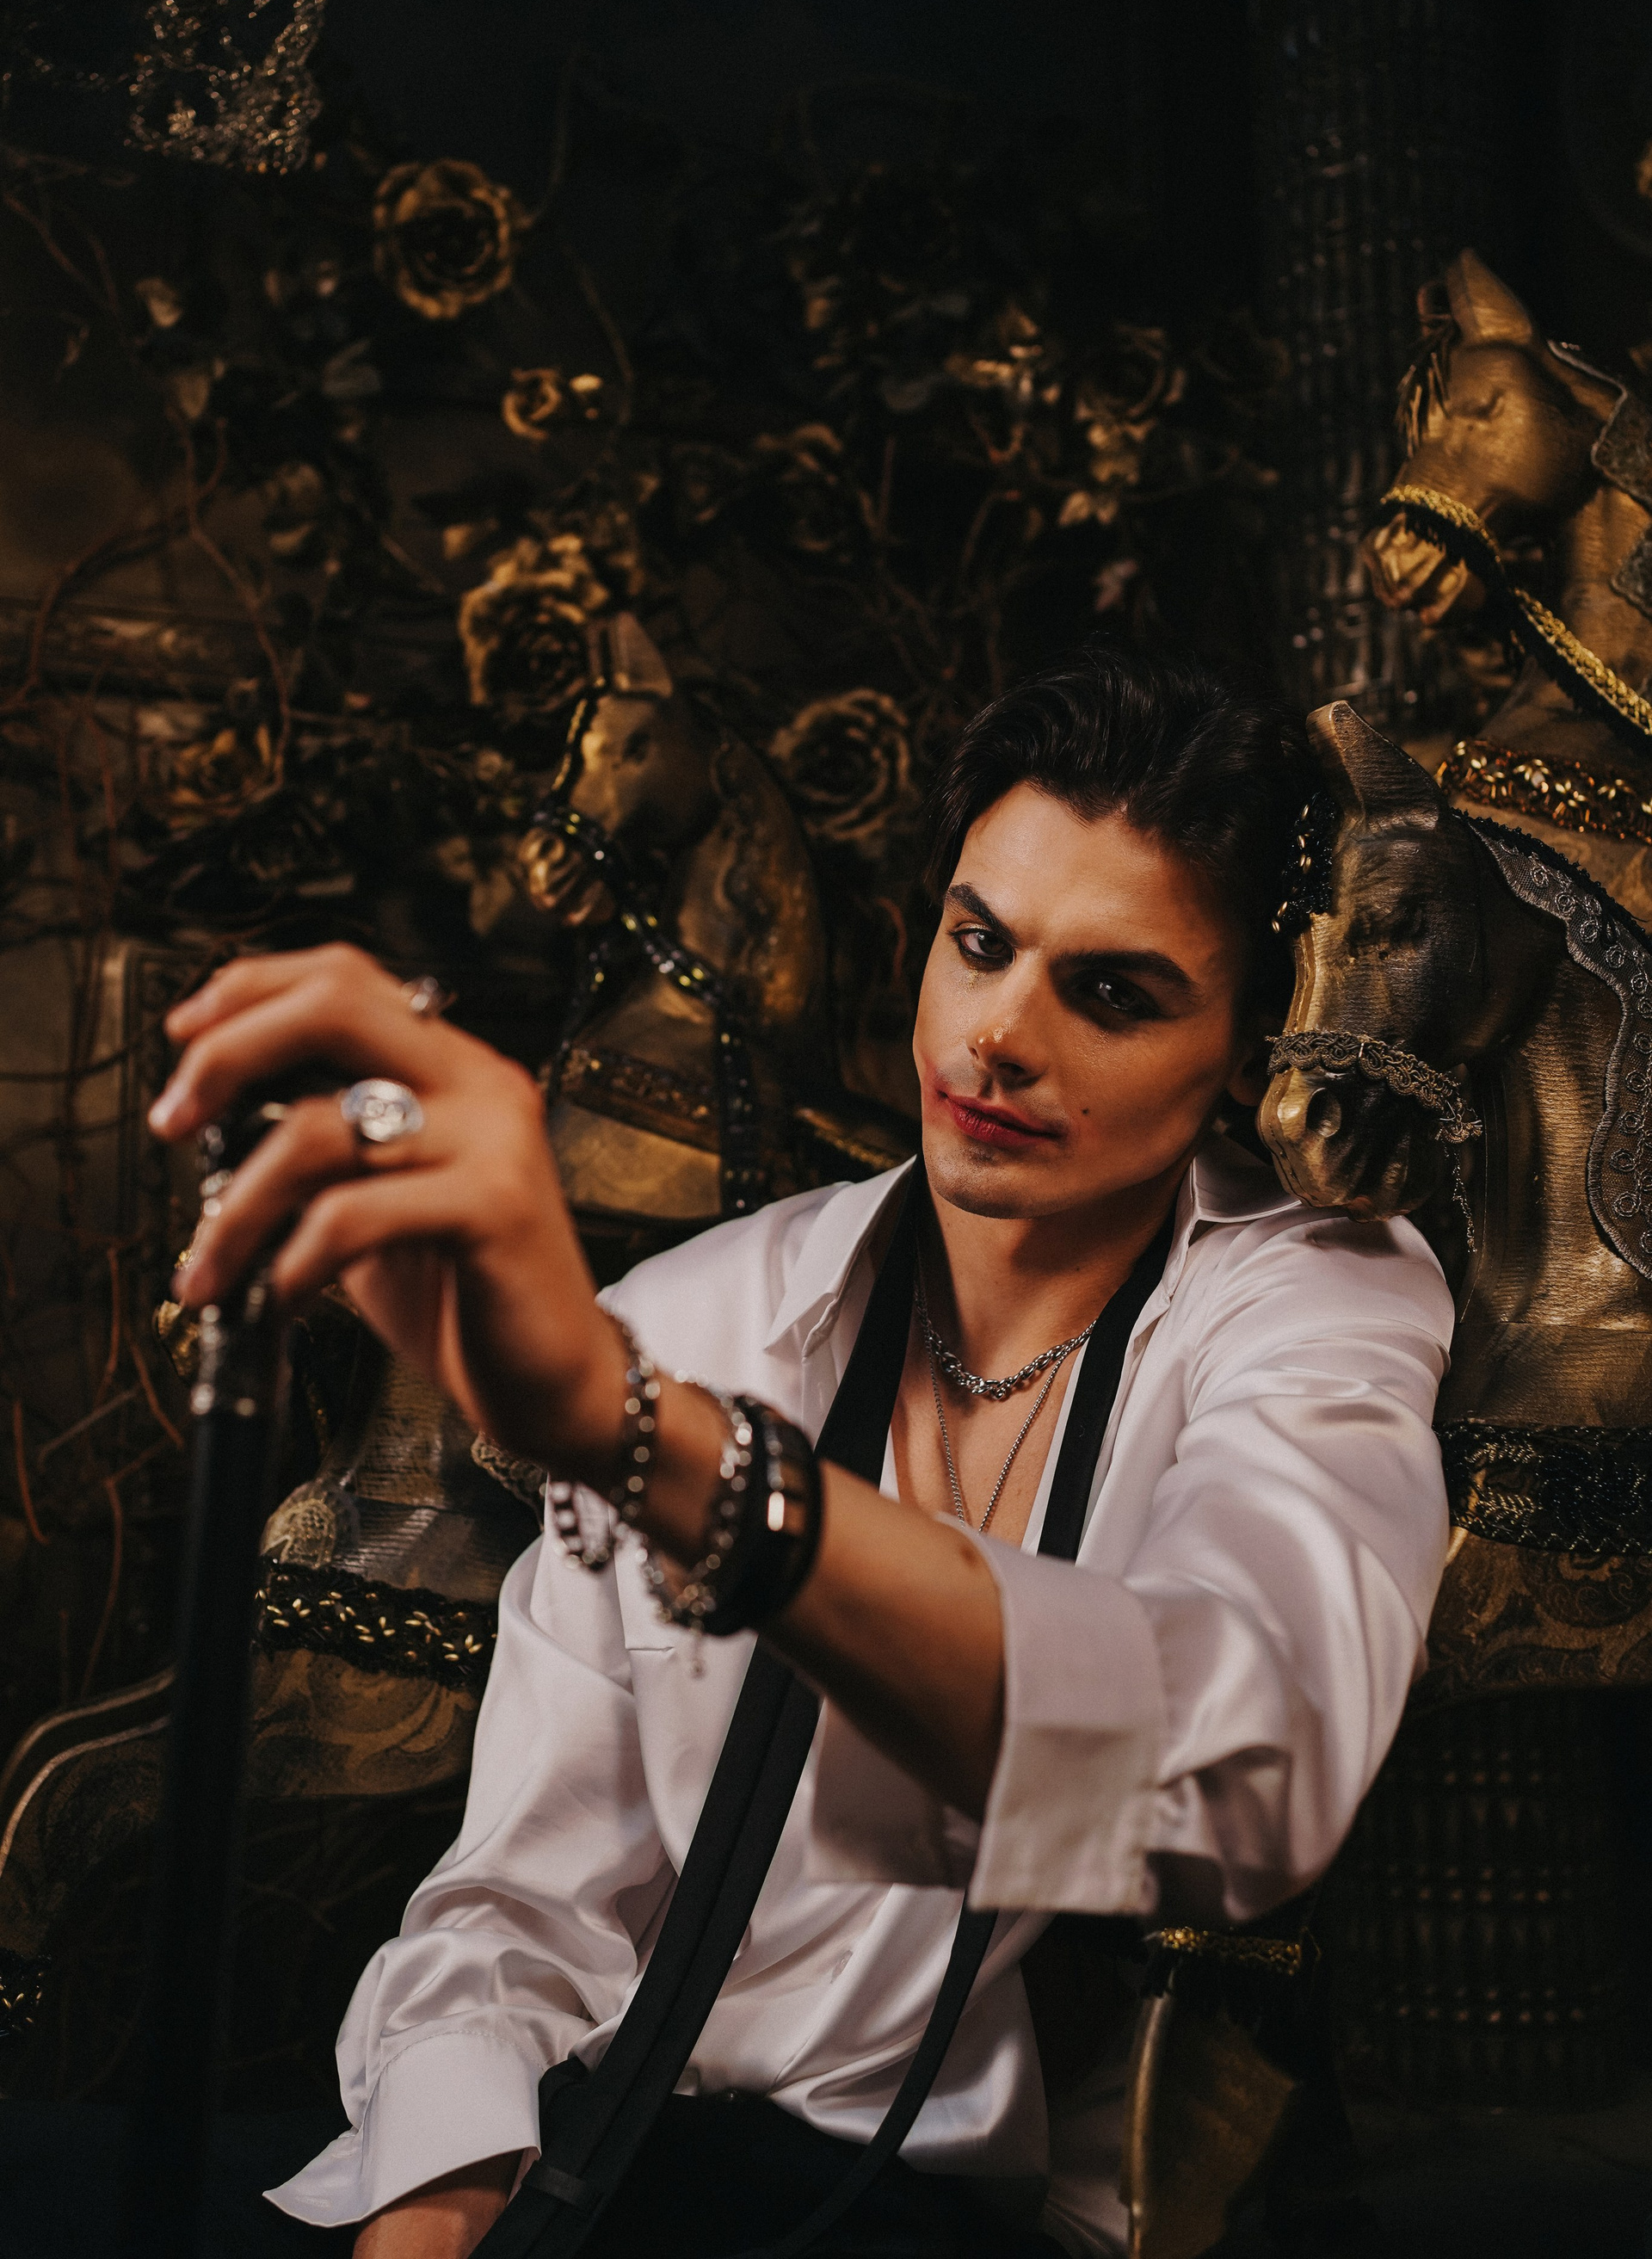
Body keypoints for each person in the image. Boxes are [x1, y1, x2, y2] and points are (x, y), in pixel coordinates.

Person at [148, 648, 1452, 2259]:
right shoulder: (694, 1316)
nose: (1000, 1036)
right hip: (617, 2151)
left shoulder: (1315, 1296)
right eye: (981, 945)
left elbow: (1254, 1758)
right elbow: (520, 1912)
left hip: (985, 2215)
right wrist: (424, 2228)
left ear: (1250, 1048)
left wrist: (641, 1438)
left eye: (1113, 994)